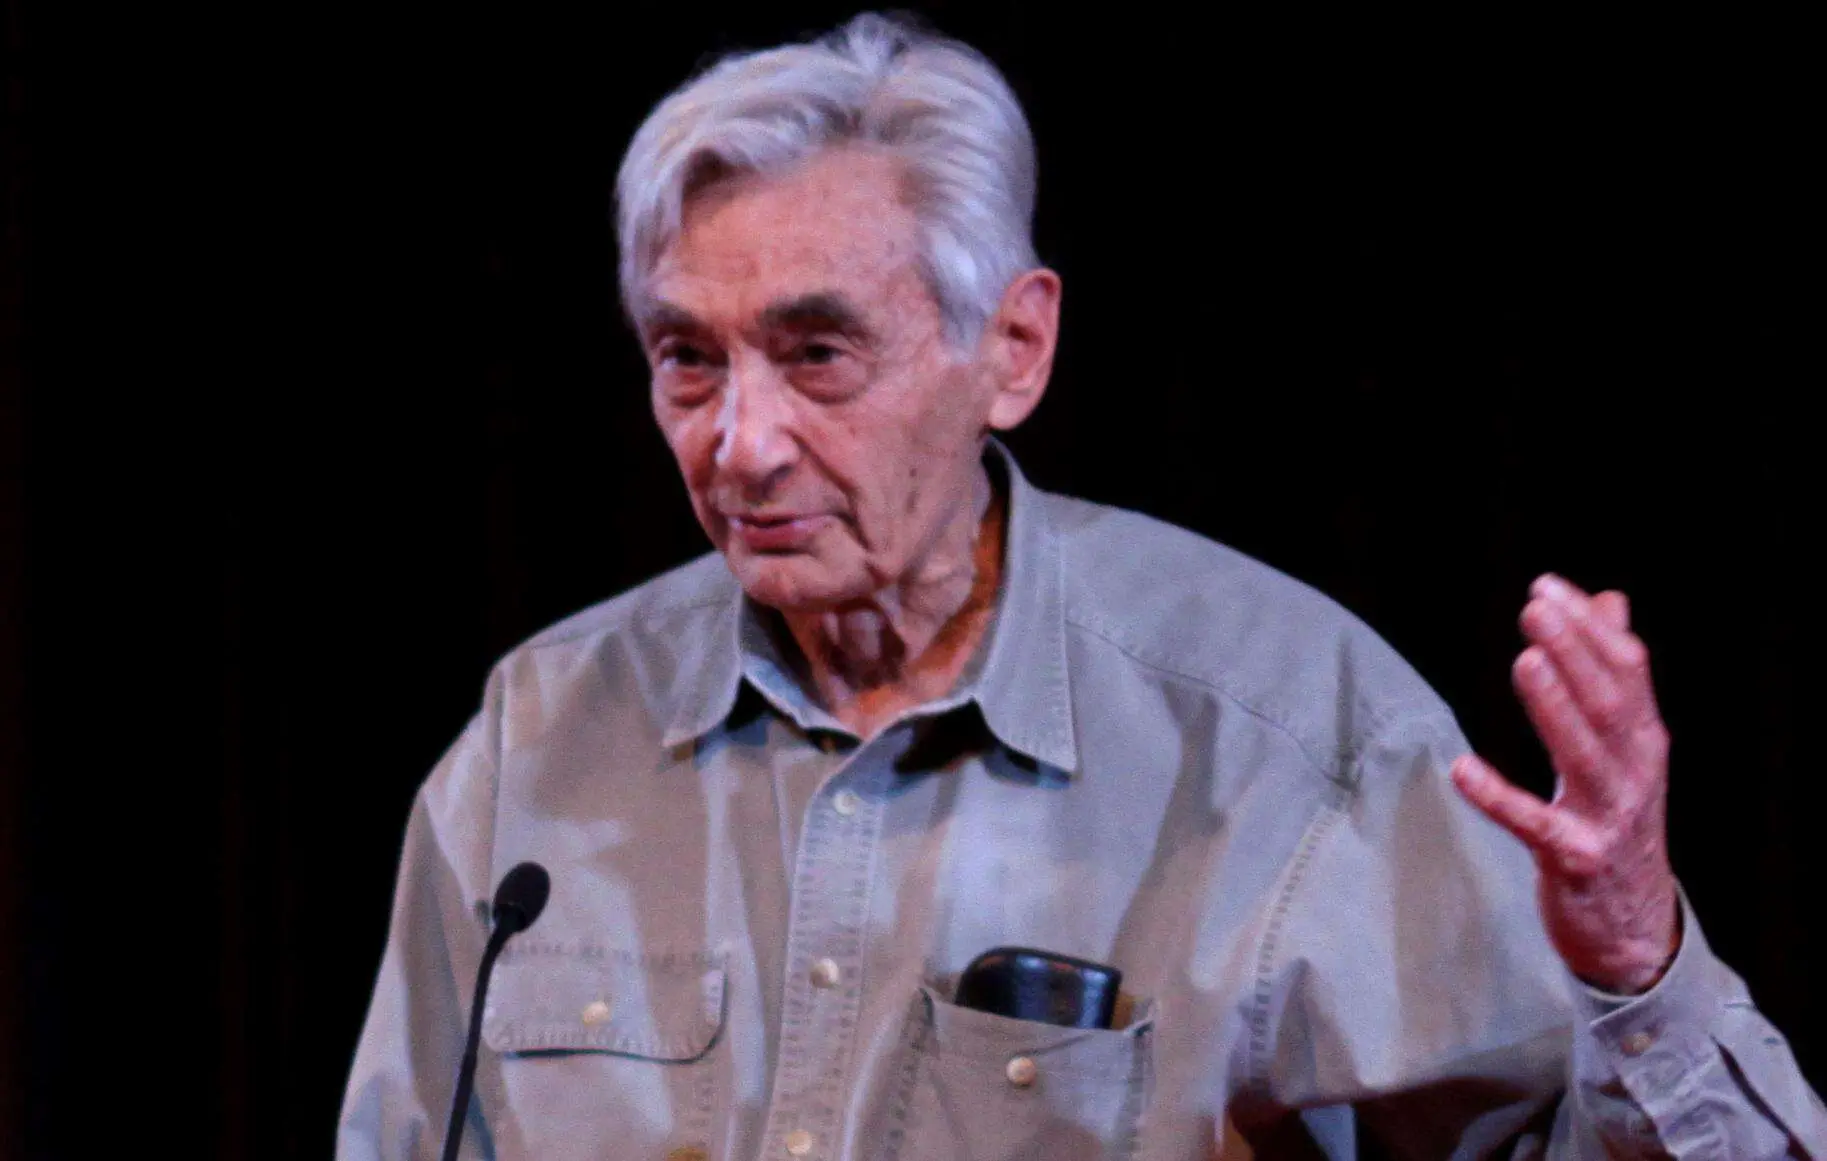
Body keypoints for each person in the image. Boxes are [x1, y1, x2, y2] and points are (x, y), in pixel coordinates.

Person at [336, 12, 1825, 1159]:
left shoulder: (1284, 738)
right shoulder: (542, 737)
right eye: (686, 360)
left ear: (1013, 349)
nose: (740, 443)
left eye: (815, 354)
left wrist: (1638, 965)